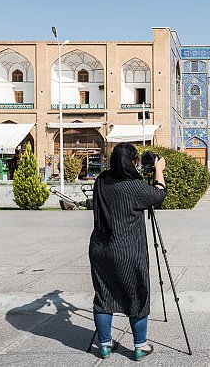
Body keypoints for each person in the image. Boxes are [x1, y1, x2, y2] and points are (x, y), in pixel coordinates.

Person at [89, 143, 167, 360]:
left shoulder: (101, 180)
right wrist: (159, 170)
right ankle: (140, 346)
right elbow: (159, 195)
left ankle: (105, 346)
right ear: (132, 162)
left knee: (104, 295)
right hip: (128, 250)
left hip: (100, 248)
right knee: (137, 295)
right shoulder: (134, 187)